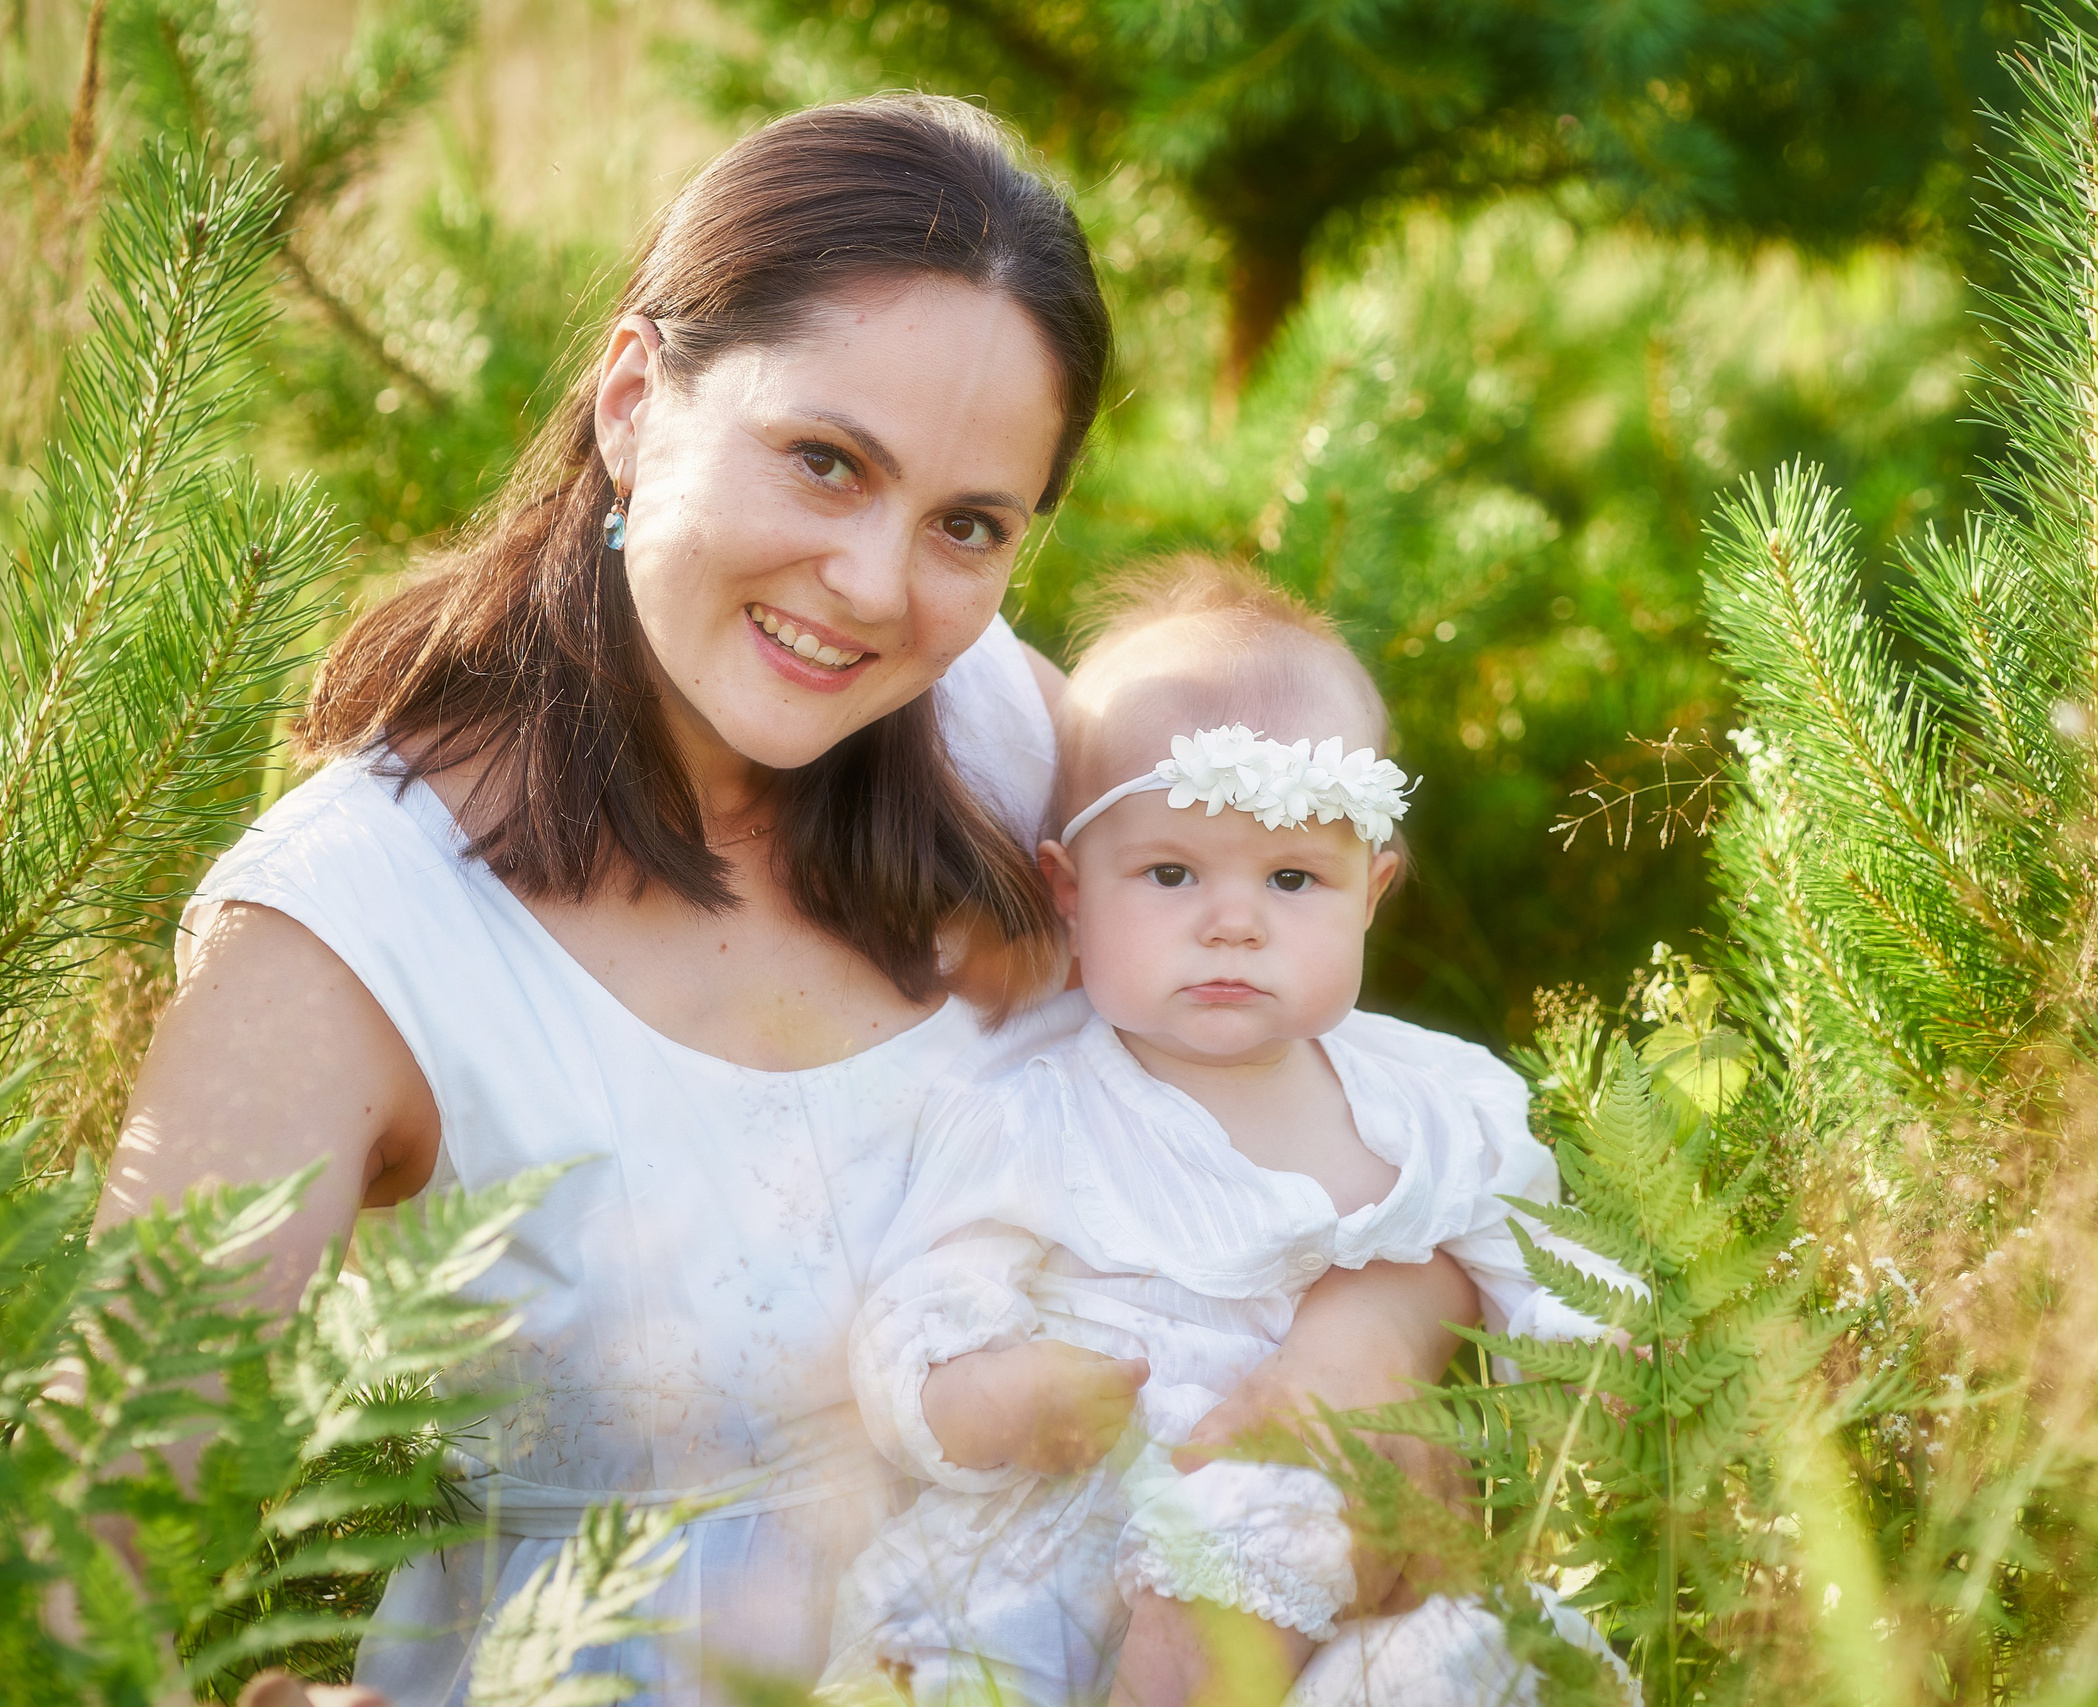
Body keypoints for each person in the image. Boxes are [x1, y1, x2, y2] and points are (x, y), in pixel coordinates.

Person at [103, 97, 1481, 1706]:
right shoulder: (354, 928)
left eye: (968, 525)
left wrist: (1359, 1354)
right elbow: (85, 1543)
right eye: (825, 461)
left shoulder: (1009, 744)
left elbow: (1353, 1105)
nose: (879, 588)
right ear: (634, 399)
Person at [820, 561, 1635, 1707]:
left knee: (1468, 1663)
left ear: (1372, 891)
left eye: (1294, 878)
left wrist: (1595, 1354)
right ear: (1068, 892)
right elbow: (922, 1298)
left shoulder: (1433, 1105)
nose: (1234, 923)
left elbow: (1541, 1258)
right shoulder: (1035, 1113)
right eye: (1169, 873)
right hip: (1053, 1571)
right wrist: (983, 1393)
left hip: (1338, 1559)